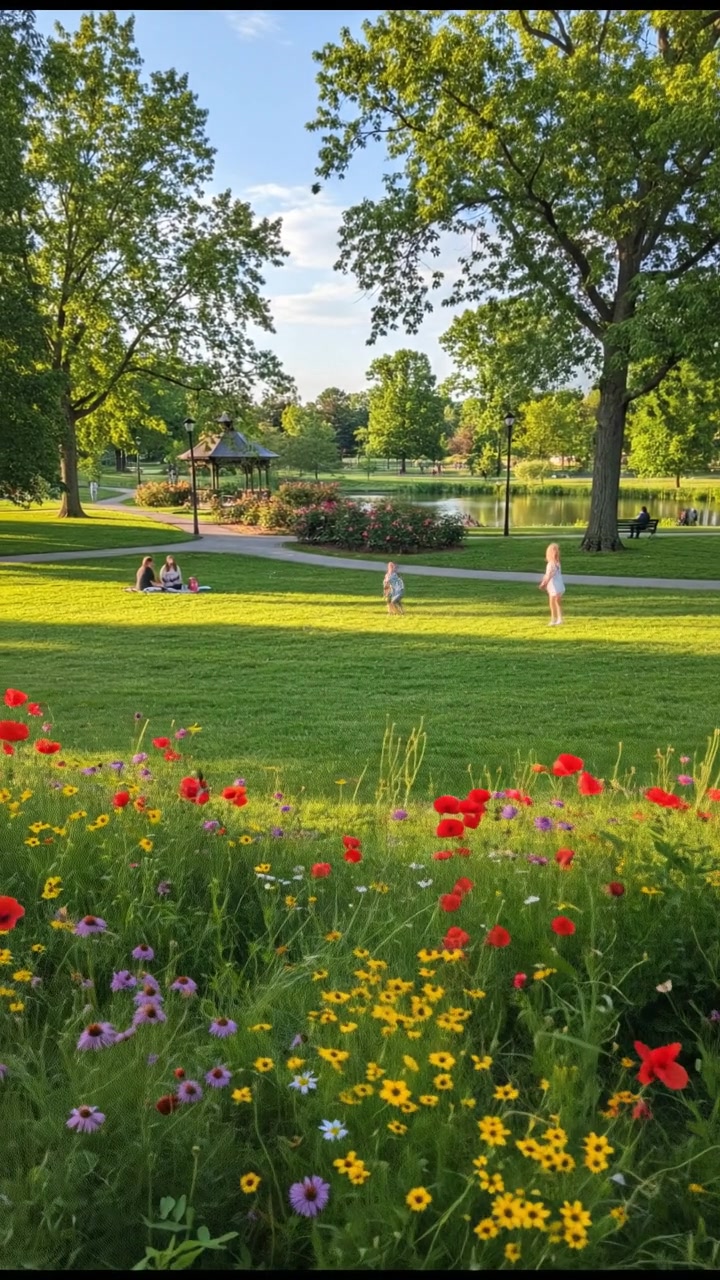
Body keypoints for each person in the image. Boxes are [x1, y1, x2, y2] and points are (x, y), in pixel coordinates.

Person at [539, 542, 565, 626]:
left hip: (554, 585)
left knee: (552, 603)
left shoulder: (551, 564)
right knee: (558, 602)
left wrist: (544, 583)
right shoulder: (557, 564)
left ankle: (554, 619)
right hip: (559, 585)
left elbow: (549, 575)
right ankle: (559, 618)